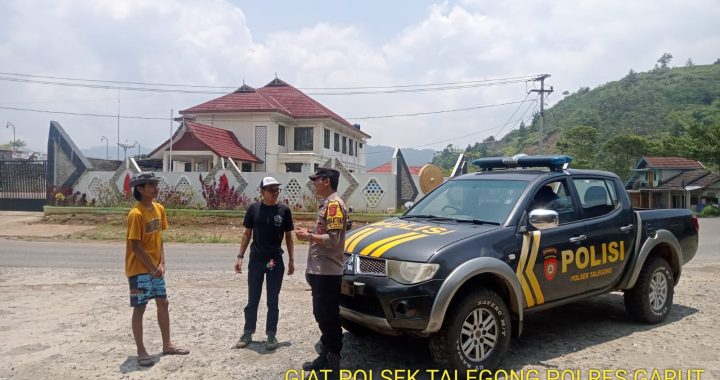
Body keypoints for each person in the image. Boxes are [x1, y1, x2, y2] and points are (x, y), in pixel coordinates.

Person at [125, 173, 189, 367]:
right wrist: (152, 267)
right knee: (140, 307)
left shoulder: (159, 209)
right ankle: (141, 350)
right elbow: (135, 246)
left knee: (163, 302)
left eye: (155, 184)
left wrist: (162, 263)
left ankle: (167, 345)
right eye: (150, 185)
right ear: (140, 189)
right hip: (138, 270)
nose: (155, 188)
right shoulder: (135, 214)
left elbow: (159, 238)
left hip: (155, 268)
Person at [295, 167, 348, 375]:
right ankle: (325, 356)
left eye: (316, 180)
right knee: (321, 314)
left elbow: (333, 241)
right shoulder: (327, 205)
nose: (314, 183)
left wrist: (308, 236)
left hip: (328, 272)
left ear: (326, 181)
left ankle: (333, 362)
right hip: (320, 270)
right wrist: (310, 232)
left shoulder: (334, 205)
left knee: (328, 315)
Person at [233, 177, 295, 351]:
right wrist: (240, 256)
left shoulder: (284, 211)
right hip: (257, 261)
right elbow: (247, 234)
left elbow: (289, 236)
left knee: (272, 300)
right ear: (262, 192)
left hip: (274, 261)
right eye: (271, 190)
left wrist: (291, 259)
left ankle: (271, 334)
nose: (275, 193)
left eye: (277, 190)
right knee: (253, 298)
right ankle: (247, 332)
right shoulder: (253, 209)